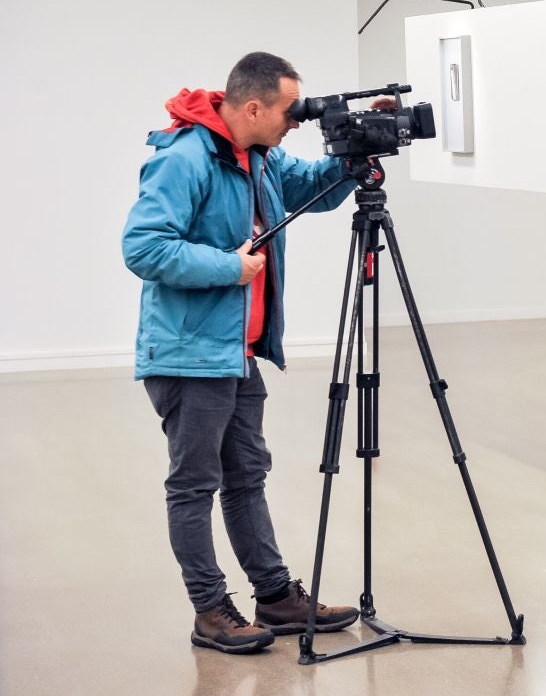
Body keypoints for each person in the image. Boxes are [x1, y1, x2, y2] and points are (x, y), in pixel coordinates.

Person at [123, 52, 365, 654]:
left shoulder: (259, 156)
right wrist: (229, 267)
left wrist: (356, 151)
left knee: (247, 477)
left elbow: (311, 186)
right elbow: (143, 247)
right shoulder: (184, 158)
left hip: (237, 352)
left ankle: (275, 594)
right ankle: (209, 610)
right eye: (290, 111)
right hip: (188, 355)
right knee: (195, 484)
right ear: (253, 107)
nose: (296, 122)